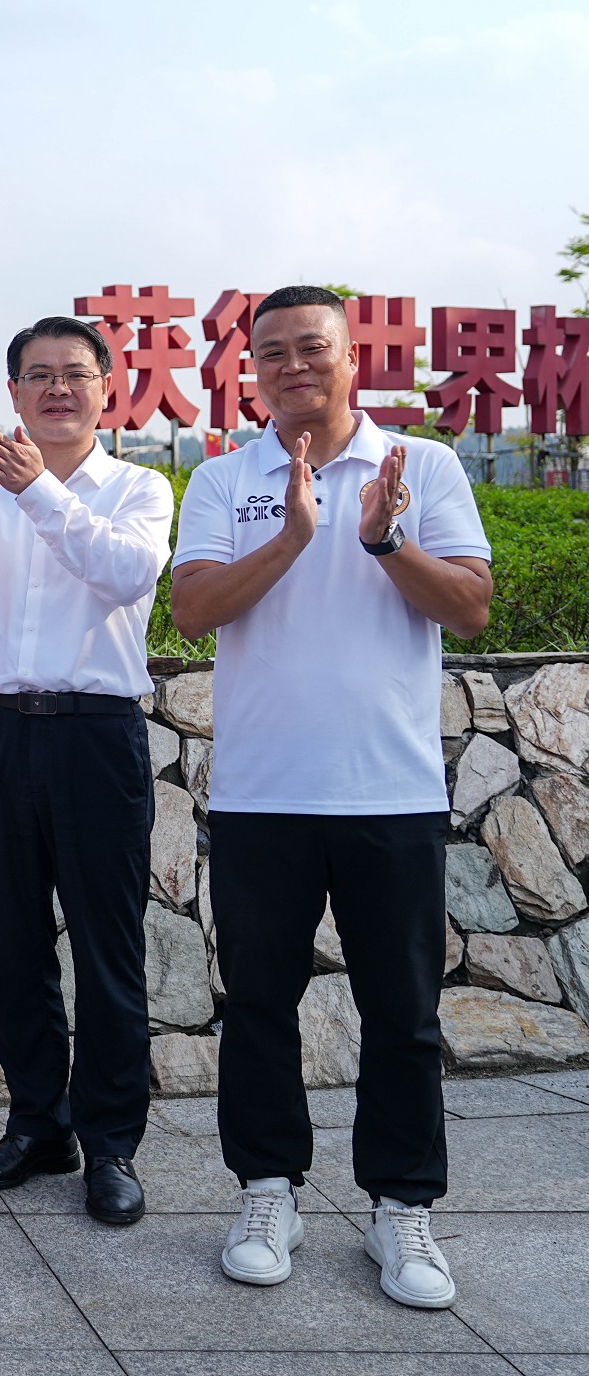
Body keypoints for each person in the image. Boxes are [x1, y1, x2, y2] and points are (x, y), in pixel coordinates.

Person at [171, 285, 491, 1308]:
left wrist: (387, 538)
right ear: (250, 368)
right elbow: (190, 611)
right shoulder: (224, 477)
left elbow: (473, 608)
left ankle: (402, 1207)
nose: (292, 365)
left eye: (312, 346)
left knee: (400, 1011)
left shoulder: (422, 466)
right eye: (271, 352)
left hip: (386, 791)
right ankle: (268, 1188)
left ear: (352, 356)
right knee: (258, 1004)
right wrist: (291, 536)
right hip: (266, 792)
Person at [0, 314, 174, 1226]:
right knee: (15, 941)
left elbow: (125, 574)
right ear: (11, 393)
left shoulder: (138, 488)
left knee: (105, 946)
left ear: (107, 389)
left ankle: (112, 1146)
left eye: (75, 373)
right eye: (37, 375)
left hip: (96, 735)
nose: (57, 387)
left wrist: (38, 492)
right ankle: (35, 1124)